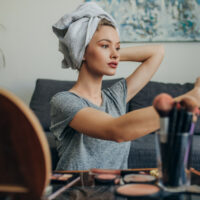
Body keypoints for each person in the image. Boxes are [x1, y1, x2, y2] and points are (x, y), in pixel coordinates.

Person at [50, 2, 200, 170]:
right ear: (82, 51)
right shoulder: (63, 101)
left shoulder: (115, 96)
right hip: (75, 192)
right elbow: (116, 130)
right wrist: (193, 96)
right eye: (105, 45)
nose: (116, 54)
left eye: (118, 47)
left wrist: (109, 55)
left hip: (114, 193)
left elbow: (157, 52)